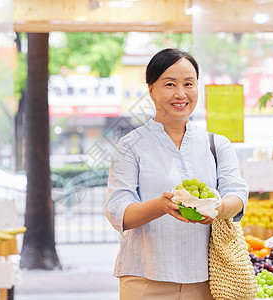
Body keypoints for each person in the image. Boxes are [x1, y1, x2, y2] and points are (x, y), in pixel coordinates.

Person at [104, 48, 249, 300]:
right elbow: (119, 211)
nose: (181, 94)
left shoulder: (217, 144)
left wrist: (216, 208)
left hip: (208, 279)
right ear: (151, 89)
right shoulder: (130, 146)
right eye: (169, 84)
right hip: (144, 279)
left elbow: (237, 194)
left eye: (189, 84)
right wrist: (160, 206)